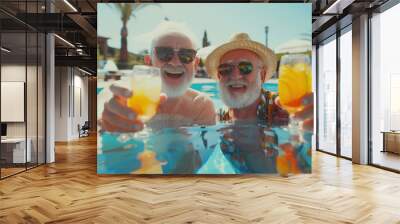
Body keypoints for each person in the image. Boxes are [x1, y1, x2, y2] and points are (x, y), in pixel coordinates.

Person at [204, 33, 313, 174]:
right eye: (225, 70)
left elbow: (304, 166)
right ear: (219, 77)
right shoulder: (220, 115)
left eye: (245, 67)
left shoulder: (283, 110)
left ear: (262, 75)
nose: (235, 76)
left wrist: (312, 135)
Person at [101, 22, 216, 133]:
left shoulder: (202, 106)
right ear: (149, 62)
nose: (175, 62)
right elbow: (100, 110)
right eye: (164, 53)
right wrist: (105, 121)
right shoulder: (121, 96)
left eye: (186, 56)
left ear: (195, 64)